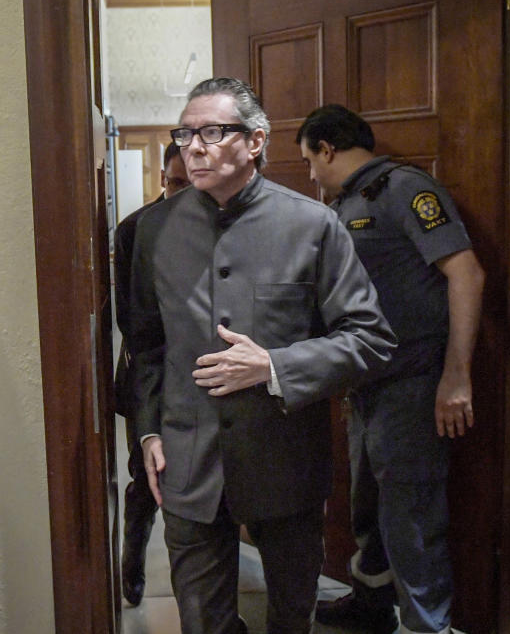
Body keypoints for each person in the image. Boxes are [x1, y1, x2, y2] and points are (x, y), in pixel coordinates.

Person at [128, 78, 397, 634]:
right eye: (185, 133)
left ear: (255, 142)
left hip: (285, 460)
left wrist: (274, 366)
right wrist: (150, 432)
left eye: (211, 131)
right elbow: (146, 346)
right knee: (203, 620)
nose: (192, 146)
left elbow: (370, 337)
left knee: (291, 615)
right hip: (187, 459)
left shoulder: (312, 225)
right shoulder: (151, 230)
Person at [296, 104, 485, 634]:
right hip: (366, 386)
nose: (311, 176)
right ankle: (371, 604)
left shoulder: (406, 190)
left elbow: (466, 275)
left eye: (310, 161)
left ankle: (429, 627)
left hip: (414, 384)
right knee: (366, 510)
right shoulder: (346, 204)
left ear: (327, 149)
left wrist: (457, 375)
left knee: (412, 518)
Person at [114, 142, 191, 607]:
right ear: (163, 177)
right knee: (143, 480)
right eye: (175, 182)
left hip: (200, 374)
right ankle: (132, 564)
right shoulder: (134, 229)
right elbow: (129, 316)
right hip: (147, 370)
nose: (183, 193)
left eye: (191, 184)